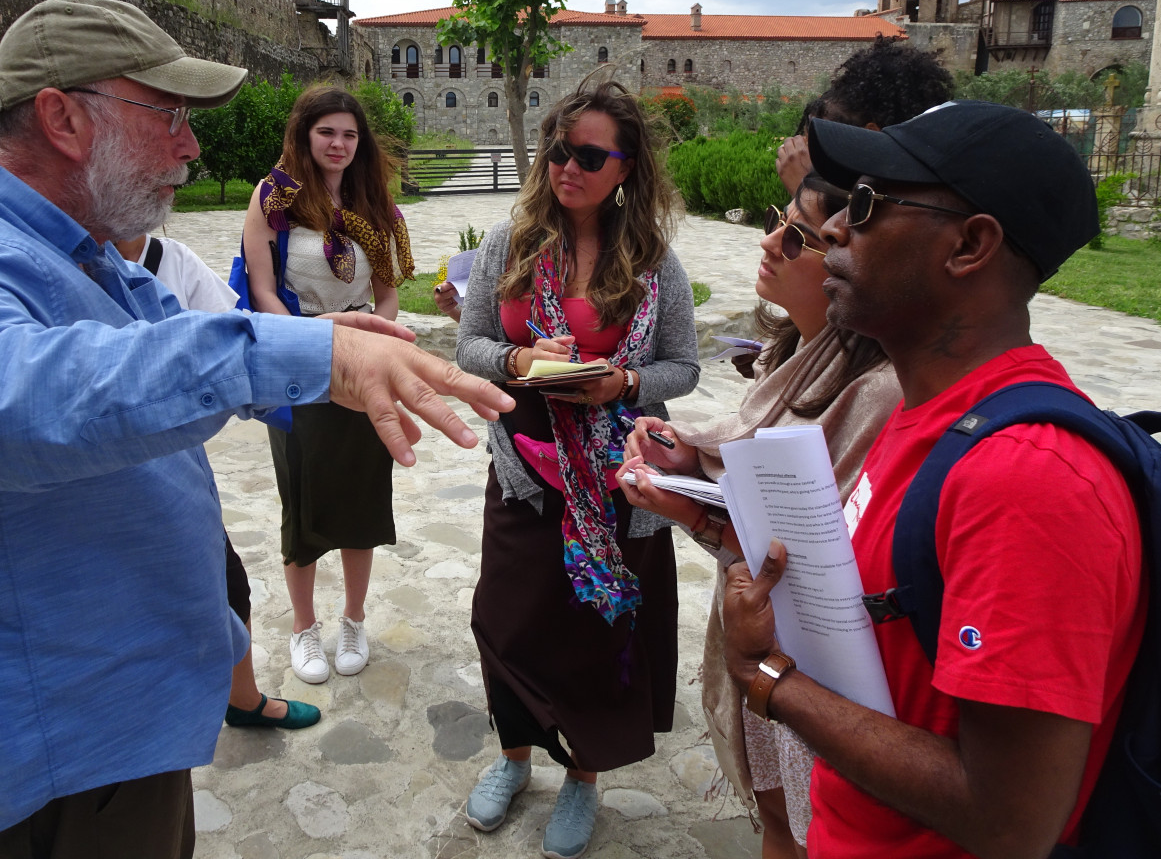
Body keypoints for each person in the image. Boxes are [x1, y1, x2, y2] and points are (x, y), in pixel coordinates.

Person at [0, 0, 512, 856]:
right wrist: (306, 357)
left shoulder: (75, 239)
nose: (191, 146)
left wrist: (328, 347)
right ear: (63, 116)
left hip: (127, 721)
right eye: (170, 116)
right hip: (77, 754)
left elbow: (170, 340)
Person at [721, 100, 1146, 858]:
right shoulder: (934, 418)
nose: (834, 231)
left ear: (970, 246)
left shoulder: (1025, 482)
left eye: (866, 203)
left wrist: (770, 679)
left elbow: (1008, 821)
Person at [455, 74, 701, 859]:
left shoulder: (655, 262)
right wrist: (522, 358)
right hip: (529, 468)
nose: (569, 165)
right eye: (561, 147)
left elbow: (683, 366)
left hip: (619, 478)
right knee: (510, 618)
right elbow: (469, 348)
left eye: (590, 155)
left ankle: (585, 776)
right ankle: (514, 759)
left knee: (602, 633)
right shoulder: (509, 243)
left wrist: (624, 381)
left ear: (625, 167)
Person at [619, 174, 899, 858]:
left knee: (812, 826)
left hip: (815, 658)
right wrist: (691, 458)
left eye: (800, 235)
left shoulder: (878, 392)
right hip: (765, 634)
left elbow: (811, 550)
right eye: (780, 219)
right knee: (778, 819)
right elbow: (744, 451)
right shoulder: (799, 353)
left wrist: (695, 509)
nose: (772, 241)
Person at [241, 86, 414, 685]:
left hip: (365, 365)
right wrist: (315, 351)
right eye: (327, 133)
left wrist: (371, 344)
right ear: (304, 134)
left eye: (349, 134)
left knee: (362, 499)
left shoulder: (375, 203)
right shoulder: (274, 199)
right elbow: (263, 289)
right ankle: (304, 627)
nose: (339, 144)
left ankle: (354, 619)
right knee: (304, 503)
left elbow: (388, 295)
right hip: (301, 367)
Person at [114, 231, 316, 730]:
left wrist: (326, 346)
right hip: (101, 491)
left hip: (177, 472)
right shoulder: (38, 261)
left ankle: (242, 699)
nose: (188, 151)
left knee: (227, 584)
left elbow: (234, 335)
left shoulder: (171, 261)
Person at [775, 35, 954, 196]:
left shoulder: (898, 203)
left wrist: (805, 191)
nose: (804, 152)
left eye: (817, 140)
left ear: (870, 134)